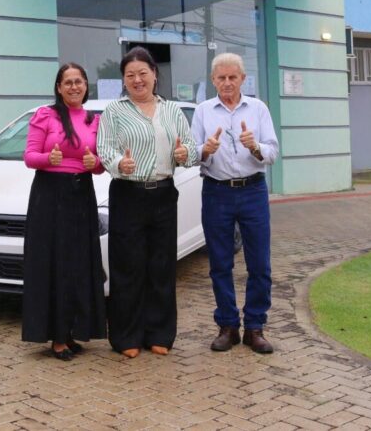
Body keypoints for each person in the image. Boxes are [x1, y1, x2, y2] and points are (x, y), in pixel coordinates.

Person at [97, 46, 198, 358]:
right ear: (124, 81)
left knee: (162, 265)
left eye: (143, 73)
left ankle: (159, 333)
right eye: (130, 75)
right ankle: (126, 336)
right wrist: (119, 164)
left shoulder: (172, 111)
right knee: (128, 267)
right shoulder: (114, 111)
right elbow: (105, 148)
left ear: (155, 74)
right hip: (128, 193)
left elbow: (191, 147)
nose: (137, 80)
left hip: (164, 193)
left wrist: (184, 155)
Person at [191, 52, 280, 354]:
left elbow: (272, 151)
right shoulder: (203, 111)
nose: (227, 83)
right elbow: (192, 155)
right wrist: (205, 149)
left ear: (243, 79)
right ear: (213, 80)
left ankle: (255, 326)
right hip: (216, 192)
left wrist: (255, 147)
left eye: (233, 77)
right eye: (221, 78)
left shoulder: (258, 108)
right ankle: (228, 326)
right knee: (220, 263)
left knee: (259, 263)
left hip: (252, 191)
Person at [22, 63, 107, 361]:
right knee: (54, 265)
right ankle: (57, 337)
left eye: (79, 81)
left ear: (86, 86)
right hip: (50, 195)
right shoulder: (45, 115)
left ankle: (73, 332)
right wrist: (49, 157)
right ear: (59, 87)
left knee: (79, 266)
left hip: (81, 193)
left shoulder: (93, 120)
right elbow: (30, 157)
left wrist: (93, 165)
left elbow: (99, 164)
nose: (73, 87)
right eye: (67, 82)